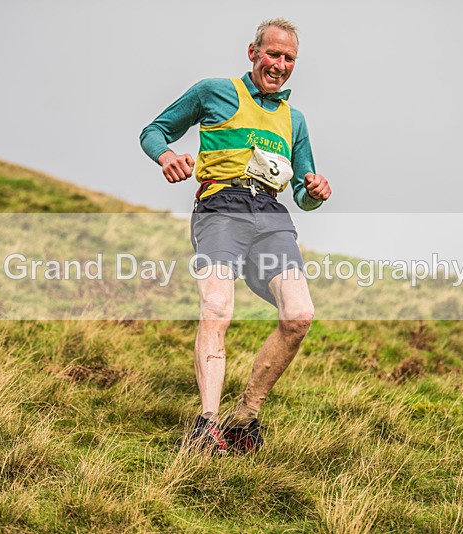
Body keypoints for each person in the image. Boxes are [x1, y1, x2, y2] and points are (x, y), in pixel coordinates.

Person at [140, 18, 331, 454]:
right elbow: (154, 131)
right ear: (252, 52)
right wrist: (167, 155)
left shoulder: (293, 120)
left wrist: (315, 190)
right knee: (216, 308)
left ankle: (244, 419)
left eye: (289, 59)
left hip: (270, 215)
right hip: (220, 209)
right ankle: (205, 426)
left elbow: (303, 191)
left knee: (299, 315)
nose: (279, 65)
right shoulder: (214, 91)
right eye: (272, 54)